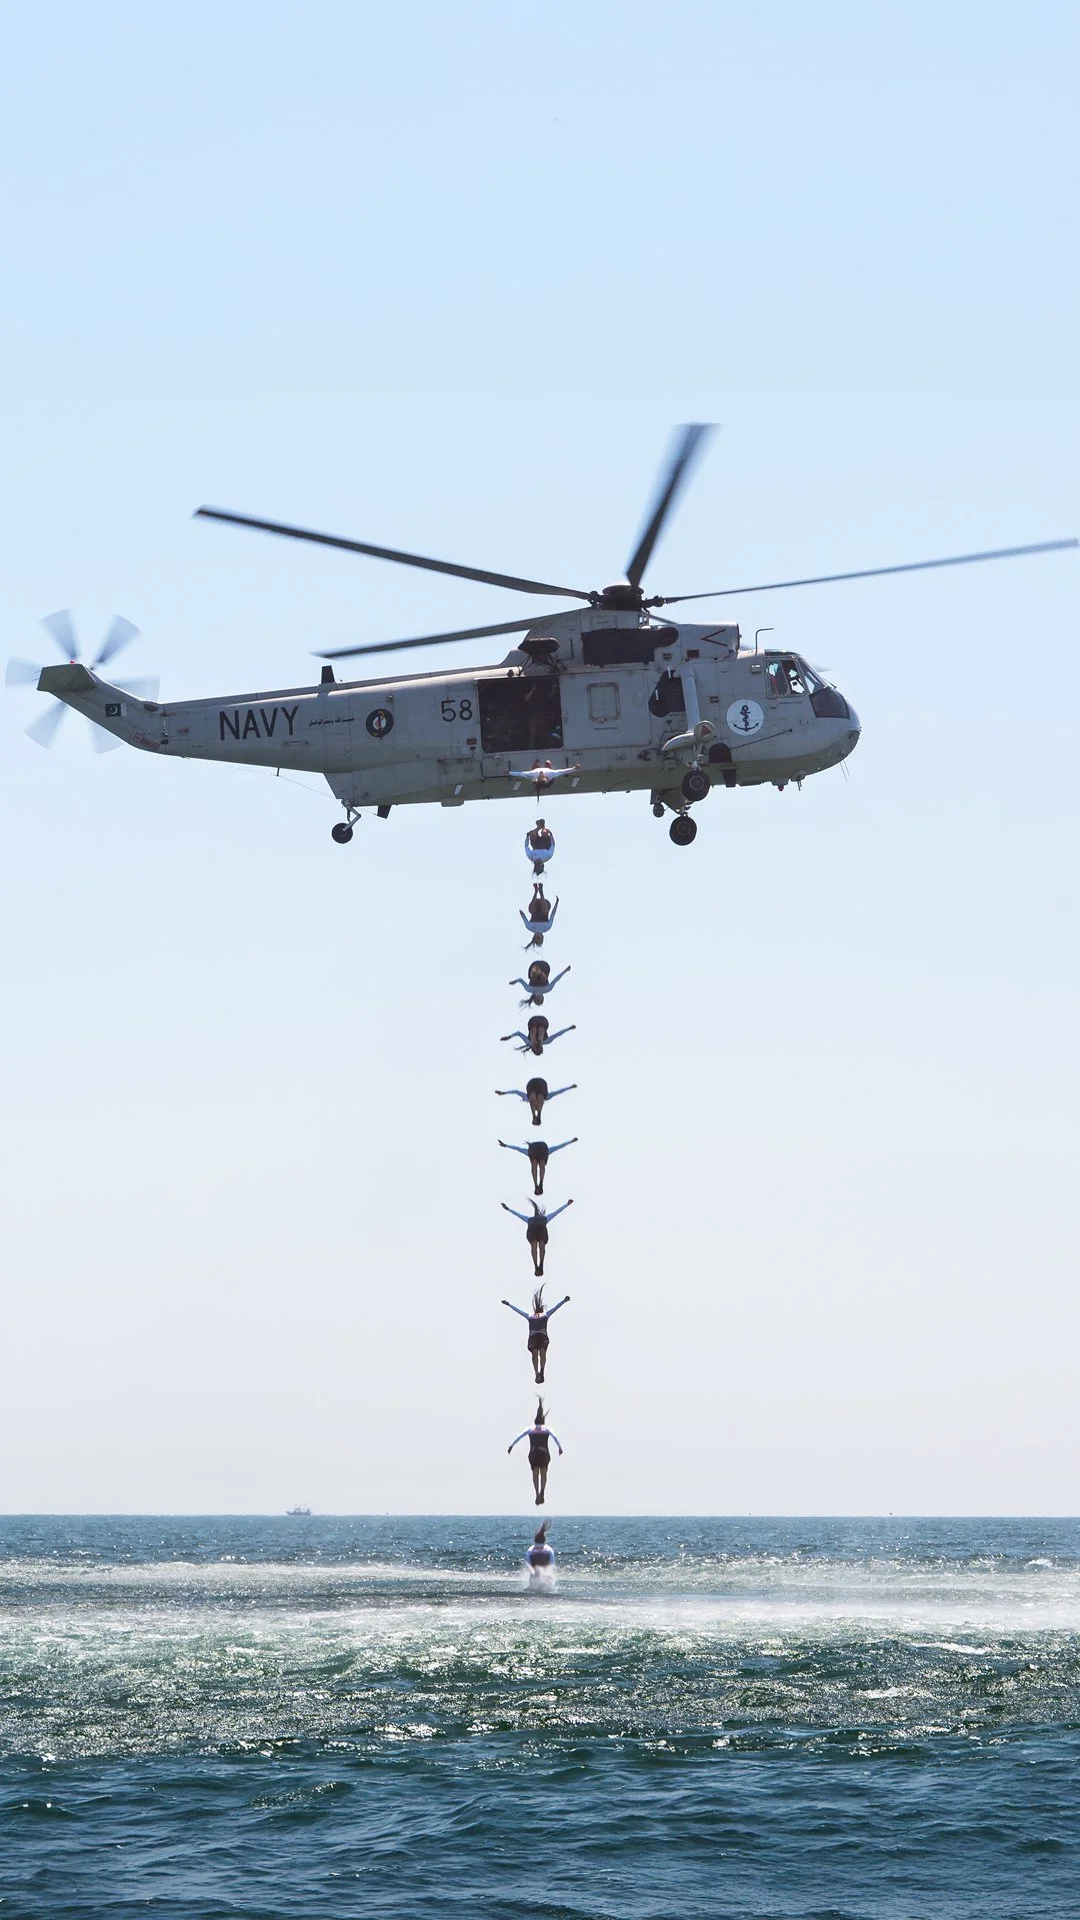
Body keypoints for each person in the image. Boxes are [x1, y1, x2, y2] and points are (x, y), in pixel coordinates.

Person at [502, 1286, 570, 1383]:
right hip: (533, 1337)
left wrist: (564, 1301)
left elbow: (555, 1308)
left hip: (542, 1337)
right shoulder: (530, 1315)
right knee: (534, 1355)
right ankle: (537, 1373)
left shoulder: (546, 1314)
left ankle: (541, 1371)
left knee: (542, 1353)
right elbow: (519, 1311)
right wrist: (509, 1304)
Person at [508, 1398, 563, 1505]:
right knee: (543, 1473)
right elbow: (555, 1437)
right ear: (543, 1421)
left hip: (533, 1454)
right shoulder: (547, 1429)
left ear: (535, 1420)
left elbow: (519, 1437)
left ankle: (537, 1493)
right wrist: (560, 1448)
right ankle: (543, 1490)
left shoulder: (530, 1429)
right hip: (544, 1454)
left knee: (535, 1474)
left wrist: (511, 1446)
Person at [501, 1198, 573, 1278]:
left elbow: (556, 1212)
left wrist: (566, 1204)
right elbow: (518, 1215)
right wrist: (508, 1209)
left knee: (541, 1247)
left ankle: (541, 1263)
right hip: (534, 1233)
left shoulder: (544, 1218)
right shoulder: (530, 1219)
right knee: (535, 1247)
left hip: (540, 1233)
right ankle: (536, 1265)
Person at [497, 1136, 577, 1195]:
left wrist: (506, 1145)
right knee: (540, 1165)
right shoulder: (542, 1153)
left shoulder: (534, 1153)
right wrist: (570, 1141)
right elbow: (559, 1146)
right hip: (540, 1148)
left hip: (538, 1148)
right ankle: (538, 1184)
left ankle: (538, 1184)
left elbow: (517, 1148)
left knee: (536, 1166)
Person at [495, 1078, 577, 1127]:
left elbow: (516, 1092)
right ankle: (536, 1116)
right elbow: (559, 1092)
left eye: (536, 1105)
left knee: (532, 1098)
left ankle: (535, 1116)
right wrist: (570, 1087)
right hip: (541, 1084)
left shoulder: (528, 1098)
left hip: (532, 1085)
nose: (537, 1103)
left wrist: (504, 1093)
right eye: (537, 1105)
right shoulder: (546, 1097)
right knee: (539, 1098)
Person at [501, 1015, 575, 1056]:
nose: (538, 1046)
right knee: (541, 1036)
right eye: (539, 1047)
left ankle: (535, 1039)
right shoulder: (547, 1041)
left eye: (536, 1048)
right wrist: (569, 1028)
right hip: (543, 1022)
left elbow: (518, 1033)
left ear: (533, 1048)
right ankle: (539, 1038)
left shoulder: (528, 1042)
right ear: (542, 1047)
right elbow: (557, 1034)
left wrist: (509, 1037)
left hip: (533, 1022)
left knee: (532, 1036)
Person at [520, 885, 558, 950]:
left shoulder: (530, 927)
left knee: (531, 911)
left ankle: (536, 891)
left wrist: (520, 912)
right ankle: (541, 892)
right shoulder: (547, 927)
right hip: (545, 904)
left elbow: (524, 917)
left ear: (534, 936)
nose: (538, 936)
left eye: (537, 937)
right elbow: (552, 914)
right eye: (540, 937)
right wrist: (557, 903)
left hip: (536, 904)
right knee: (545, 912)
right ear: (542, 937)